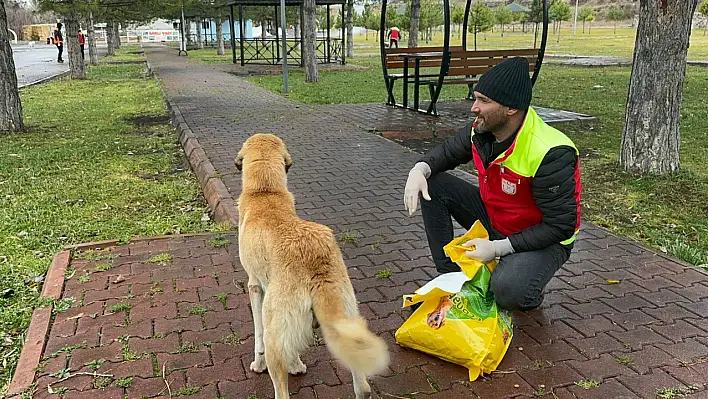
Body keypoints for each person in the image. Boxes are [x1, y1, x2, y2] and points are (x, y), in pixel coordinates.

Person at [403, 57, 582, 312]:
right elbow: (447, 153)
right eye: (475, 98)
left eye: (484, 101)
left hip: (543, 237)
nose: (474, 108)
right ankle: (452, 278)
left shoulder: (551, 151)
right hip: (497, 218)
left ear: (510, 108)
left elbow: (560, 226)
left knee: (508, 292)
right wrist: (419, 169)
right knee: (433, 183)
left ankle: (529, 288)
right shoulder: (481, 129)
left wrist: (498, 248)